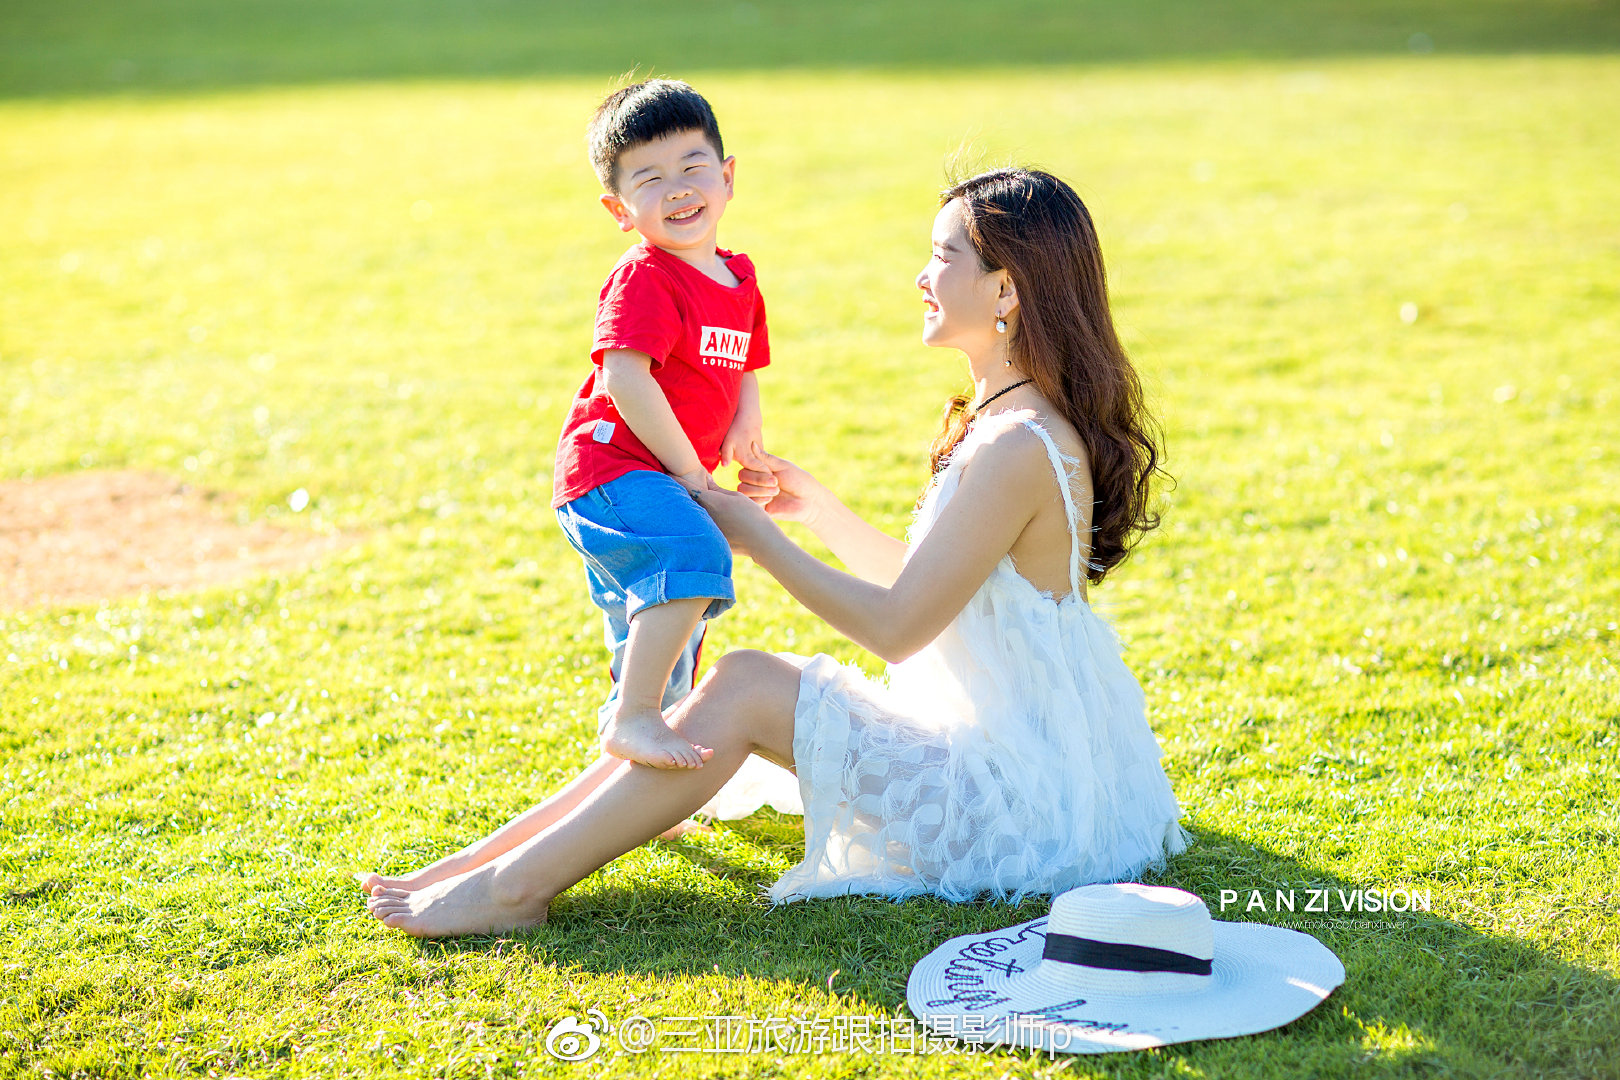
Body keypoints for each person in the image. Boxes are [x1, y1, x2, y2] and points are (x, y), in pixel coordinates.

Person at [360, 167, 1188, 937]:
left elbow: (899, 627)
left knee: (748, 684)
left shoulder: (1017, 443)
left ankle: (512, 891)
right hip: (1032, 770)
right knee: (738, 687)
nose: (920, 277)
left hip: (1014, 808)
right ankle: (485, 866)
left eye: (942, 257)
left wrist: (760, 539)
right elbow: (938, 586)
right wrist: (816, 509)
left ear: (1005, 290)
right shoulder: (1014, 422)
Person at [550, 78, 773, 772]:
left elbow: (744, 364)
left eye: (691, 166)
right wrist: (692, 476)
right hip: (613, 470)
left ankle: (630, 780)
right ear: (619, 209)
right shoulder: (645, 276)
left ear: (726, 177)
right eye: (649, 179)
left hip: (660, 478)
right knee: (694, 560)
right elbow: (625, 378)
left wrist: (744, 433)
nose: (677, 190)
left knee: (669, 640)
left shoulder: (738, 279)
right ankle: (635, 719)